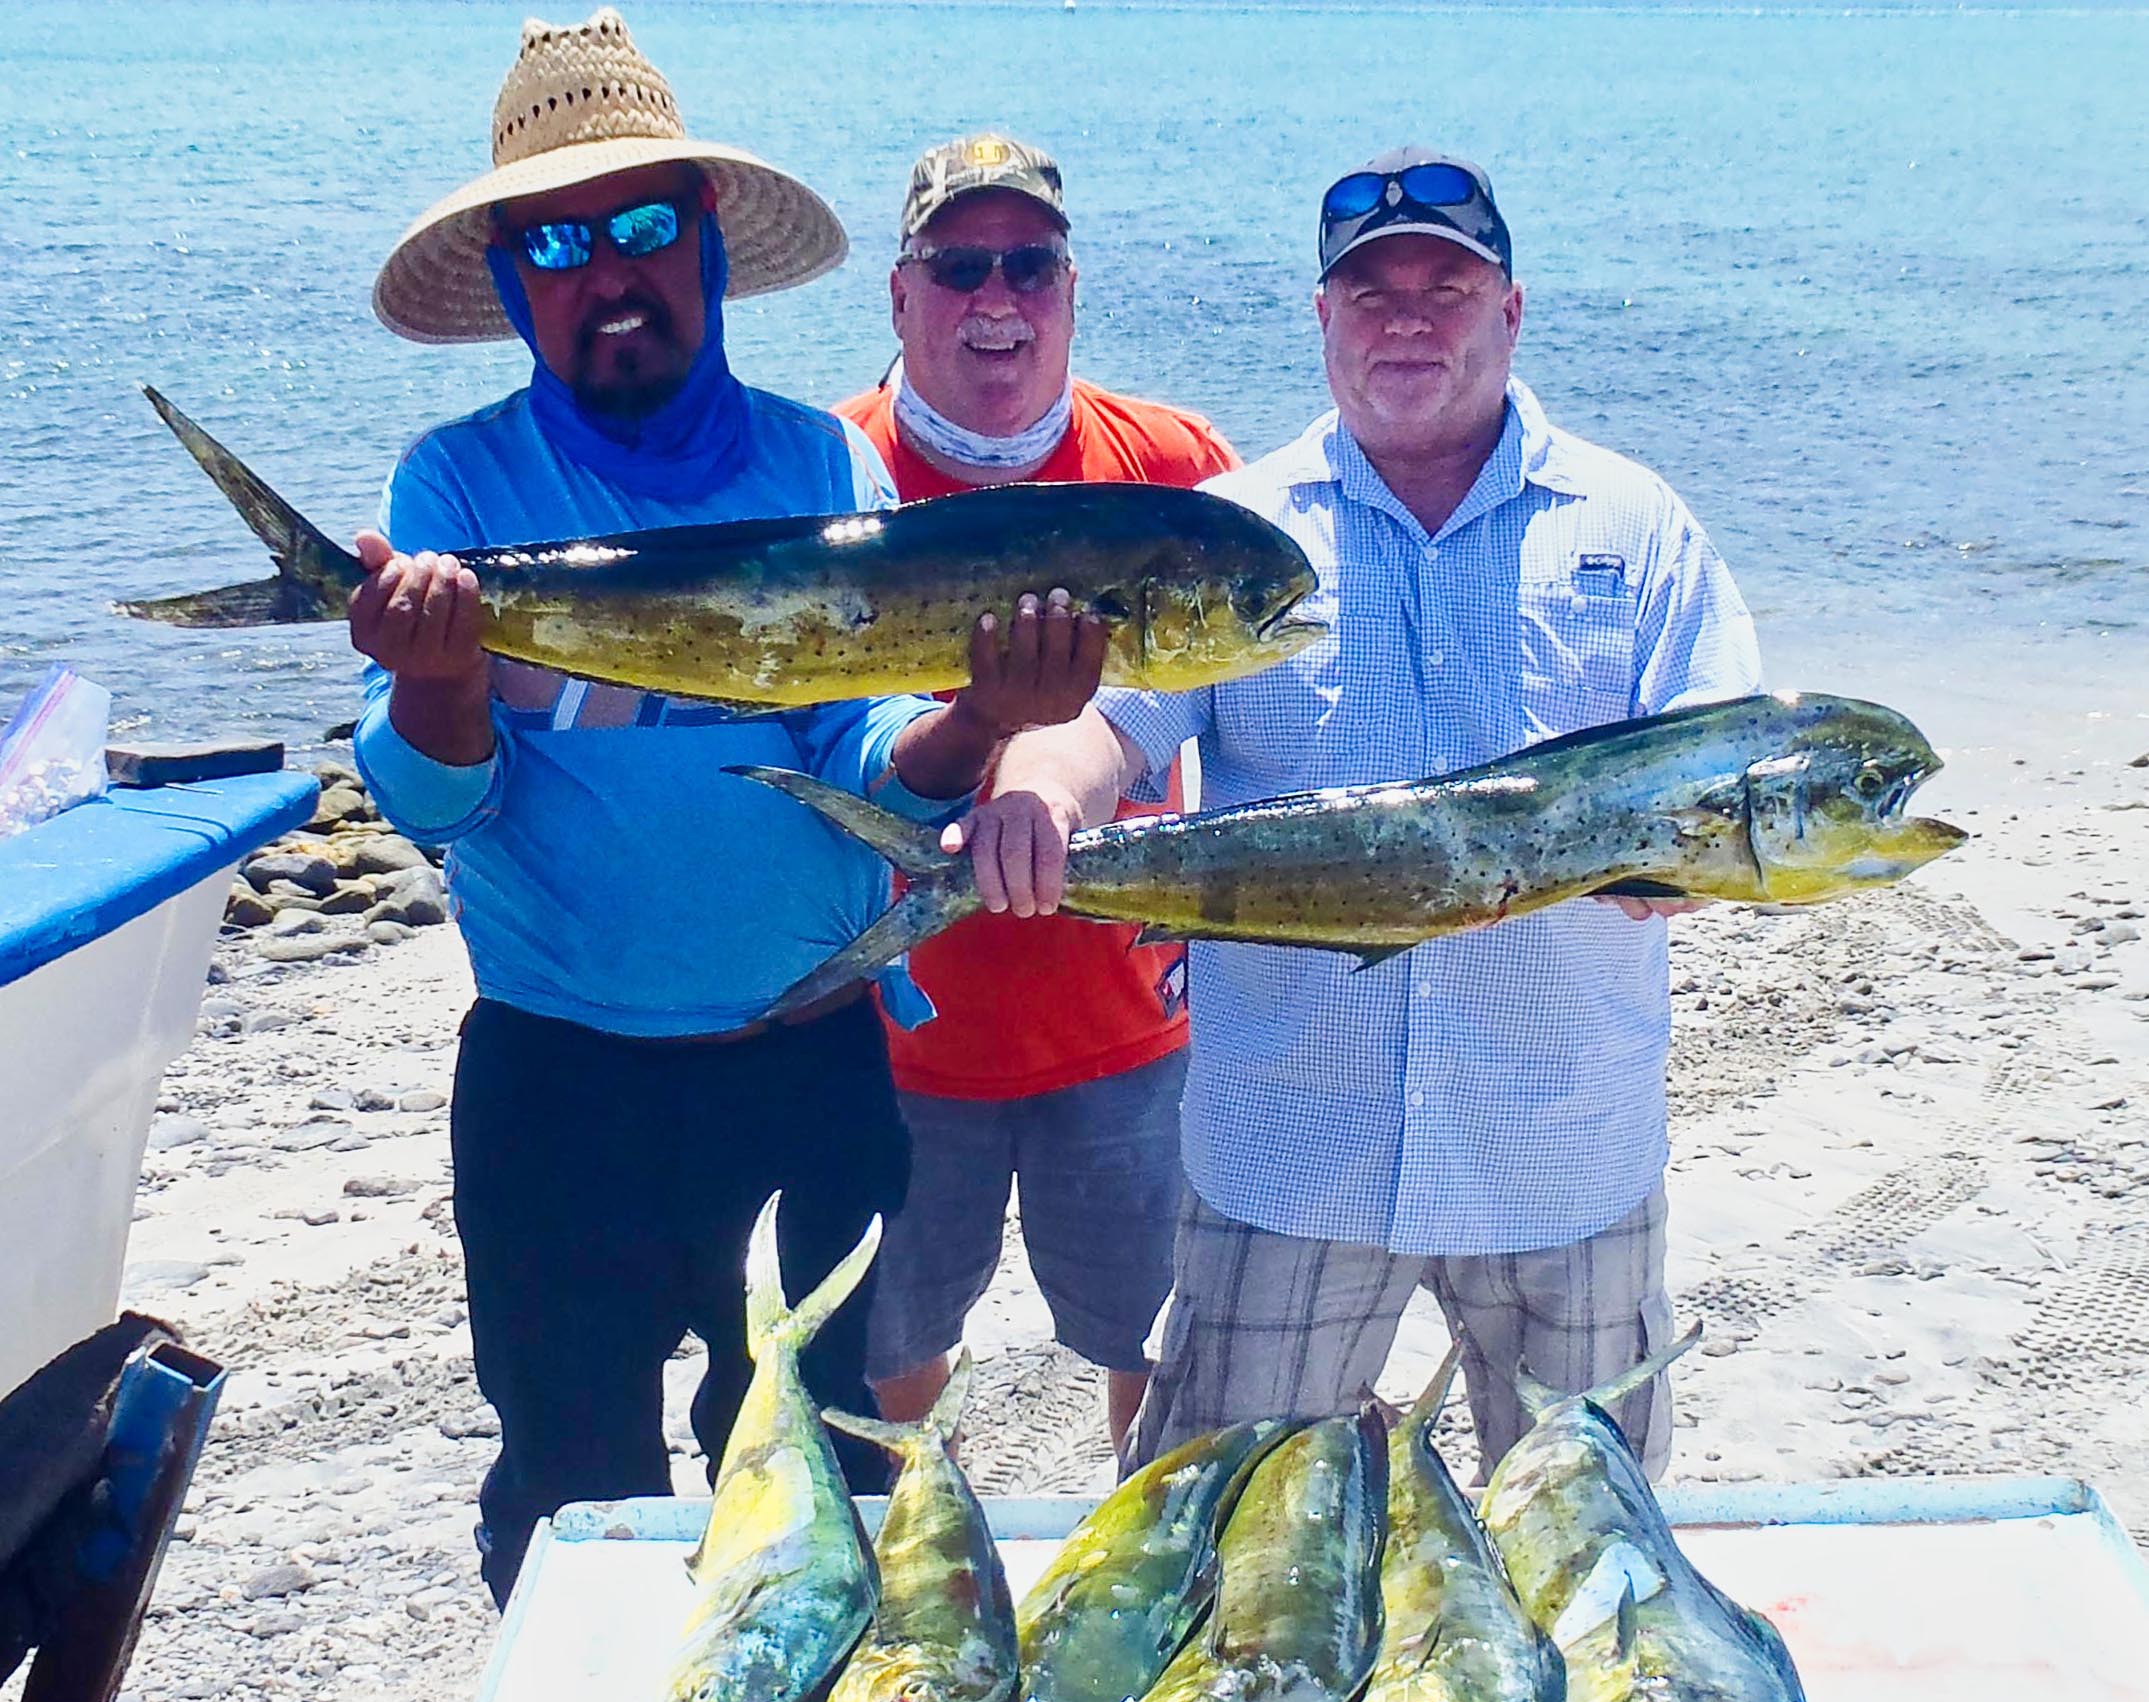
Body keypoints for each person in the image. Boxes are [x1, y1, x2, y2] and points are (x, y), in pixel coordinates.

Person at [346, 11, 1103, 1606]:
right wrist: (434, 682)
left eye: (638, 227)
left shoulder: (821, 464)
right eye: (559, 244)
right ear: (513, 281)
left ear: (701, 241)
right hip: (560, 1082)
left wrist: (985, 716)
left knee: (827, 1488)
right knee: (568, 1490)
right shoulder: (456, 491)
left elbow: (867, 760)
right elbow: (433, 803)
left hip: (809, 1065)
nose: (607, 273)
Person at [957, 150, 1764, 1483]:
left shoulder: (1635, 526)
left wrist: (1679, 859)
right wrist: (1038, 791)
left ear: (1511, 312)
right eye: (1371, 294)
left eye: (1446, 290)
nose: (1407, 323)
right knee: (1219, 1538)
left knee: (1581, 1547)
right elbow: (1103, 722)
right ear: (1322, 318)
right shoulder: (1236, 532)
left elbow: (1718, 754)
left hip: (1560, 1149)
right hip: (1289, 1149)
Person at [832, 134, 1239, 1462]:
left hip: (1131, 1019)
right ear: (901, 295)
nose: (995, 298)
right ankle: (926, 1541)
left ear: (1070, 288)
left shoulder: (1175, 465)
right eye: (959, 268)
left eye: (1029, 265)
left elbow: (1256, 715)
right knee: (886, 1346)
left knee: (1161, 1341)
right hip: (889, 1036)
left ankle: (1139, 1540)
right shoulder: (830, 473)